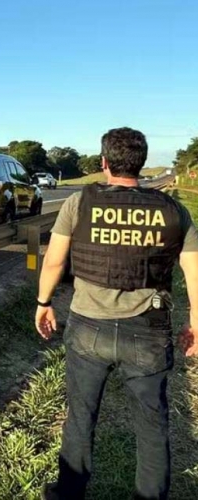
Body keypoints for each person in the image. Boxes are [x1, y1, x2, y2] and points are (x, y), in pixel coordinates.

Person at [36, 127, 198, 500]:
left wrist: (44, 303)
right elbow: (193, 272)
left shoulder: (80, 203)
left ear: (104, 163)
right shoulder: (173, 210)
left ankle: (69, 493)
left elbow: (54, 262)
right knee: (152, 425)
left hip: (87, 328)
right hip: (148, 333)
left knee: (80, 416)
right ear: (140, 163)